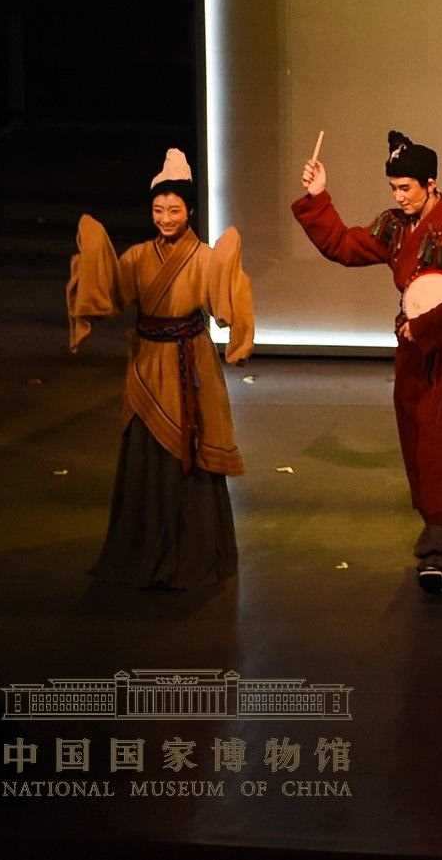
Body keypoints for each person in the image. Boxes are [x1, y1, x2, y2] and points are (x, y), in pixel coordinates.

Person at [292, 130, 442, 596]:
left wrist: (426, 326)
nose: (398, 196)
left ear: (431, 183)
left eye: (406, 188)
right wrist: (319, 197)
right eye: (393, 188)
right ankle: (441, 530)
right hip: (415, 351)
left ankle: (440, 545)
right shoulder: (395, 226)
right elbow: (345, 246)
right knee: (421, 441)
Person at [66, 148, 253, 590]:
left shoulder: (204, 258)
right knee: (145, 453)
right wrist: (94, 259)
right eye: (158, 211)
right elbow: (112, 295)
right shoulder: (136, 258)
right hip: (148, 362)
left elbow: (227, 299)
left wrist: (238, 332)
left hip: (190, 363)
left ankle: (193, 553)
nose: (166, 219)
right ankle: (143, 549)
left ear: (190, 211)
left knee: (192, 450)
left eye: (174, 210)